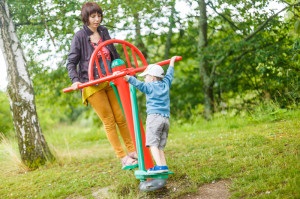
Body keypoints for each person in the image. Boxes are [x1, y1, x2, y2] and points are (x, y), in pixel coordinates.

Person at [66, 2, 138, 170]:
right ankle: (122, 157)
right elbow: (71, 62)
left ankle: (133, 151)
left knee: (120, 117)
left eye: (99, 16)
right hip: (92, 84)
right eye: (93, 16)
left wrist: (122, 69)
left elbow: (113, 53)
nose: (96, 19)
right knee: (109, 120)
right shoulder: (79, 36)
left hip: (109, 81)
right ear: (86, 18)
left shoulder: (104, 31)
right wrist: (75, 80)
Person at [124, 56, 178, 173]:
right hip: (166, 119)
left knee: (152, 143)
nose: (145, 79)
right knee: (160, 146)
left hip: (154, 118)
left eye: (146, 77)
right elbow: (169, 74)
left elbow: (138, 84)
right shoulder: (165, 84)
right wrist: (172, 62)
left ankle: (159, 167)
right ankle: (163, 165)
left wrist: (126, 77)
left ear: (153, 78)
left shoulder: (149, 87)